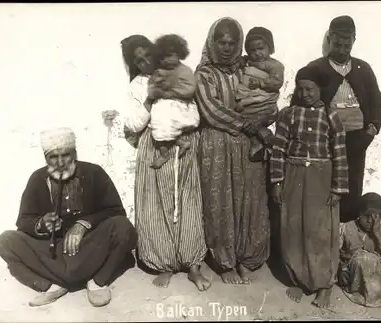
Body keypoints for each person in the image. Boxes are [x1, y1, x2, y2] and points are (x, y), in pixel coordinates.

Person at [0, 127, 137, 307]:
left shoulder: (94, 173)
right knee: (6, 240)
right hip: (53, 251)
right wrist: (41, 224)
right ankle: (51, 286)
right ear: (46, 158)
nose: (60, 162)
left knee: (123, 227)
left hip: (89, 247)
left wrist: (84, 224)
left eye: (66, 155)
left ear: (75, 154)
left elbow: (116, 211)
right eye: (53, 157)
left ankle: (98, 282)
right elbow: (23, 221)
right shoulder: (37, 179)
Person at [121, 35, 211, 291]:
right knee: (156, 205)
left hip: (183, 141)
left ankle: (193, 265)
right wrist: (150, 99)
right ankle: (165, 265)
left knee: (188, 200)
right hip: (154, 143)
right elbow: (133, 124)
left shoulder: (177, 73)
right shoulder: (138, 85)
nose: (145, 63)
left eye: (147, 55)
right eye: (138, 61)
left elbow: (191, 105)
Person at [195, 17, 273, 285]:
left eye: (232, 42)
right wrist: (246, 124)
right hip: (217, 144)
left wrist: (263, 118)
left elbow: (267, 101)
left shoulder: (249, 69)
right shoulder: (204, 74)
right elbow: (211, 111)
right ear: (212, 42)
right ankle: (224, 262)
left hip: (248, 146)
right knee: (220, 204)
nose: (227, 48)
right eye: (221, 42)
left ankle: (246, 258)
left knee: (250, 200)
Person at [271, 65, 349, 308]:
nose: (305, 94)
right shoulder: (289, 114)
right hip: (293, 175)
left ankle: (323, 285)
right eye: (300, 89)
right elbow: (278, 150)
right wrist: (276, 181)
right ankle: (298, 277)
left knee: (319, 230)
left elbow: (340, 154)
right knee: (293, 227)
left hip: (321, 178)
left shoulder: (331, 117)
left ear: (320, 90)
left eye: (310, 89)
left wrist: (337, 188)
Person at [302, 15, 381, 223]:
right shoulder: (316, 68)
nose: (341, 50)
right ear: (330, 39)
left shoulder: (362, 69)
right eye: (337, 44)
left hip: (358, 138)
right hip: (327, 140)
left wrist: (371, 130)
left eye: (347, 46)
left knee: (352, 185)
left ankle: (346, 237)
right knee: (325, 185)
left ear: (354, 41)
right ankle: (325, 234)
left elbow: (376, 102)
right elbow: (302, 102)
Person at [338, 192, 381, 307]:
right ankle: (365, 294)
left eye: (376, 218)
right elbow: (334, 252)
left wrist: (377, 233)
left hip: (376, 276)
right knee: (363, 259)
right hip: (354, 275)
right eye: (367, 216)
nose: (370, 221)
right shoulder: (346, 228)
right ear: (359, 214)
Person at [146, 34, 200, 169]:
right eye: (163, 57)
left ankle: (179, 142)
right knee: (159, 122)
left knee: (170, 122)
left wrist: (171, 90)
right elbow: (151, 91)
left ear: (180, 54)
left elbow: (190, 89)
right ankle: (167, 151)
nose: (167, 60)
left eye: (170, 55)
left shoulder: (185, 71)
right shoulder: (159, 71)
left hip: (182, 105)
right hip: (164, 105)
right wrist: (157, 90)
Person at [235, 26, 284, 160]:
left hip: (263, 101)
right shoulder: (247, 61)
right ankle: (260, 141)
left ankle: (262, 138)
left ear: (270, 48)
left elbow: (277, 82)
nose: (257, 53)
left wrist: (261, 83)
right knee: (243, 118)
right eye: (252, 50)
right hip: (248, 101)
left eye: (260, 48)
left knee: (251, 120)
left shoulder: (274, 65)